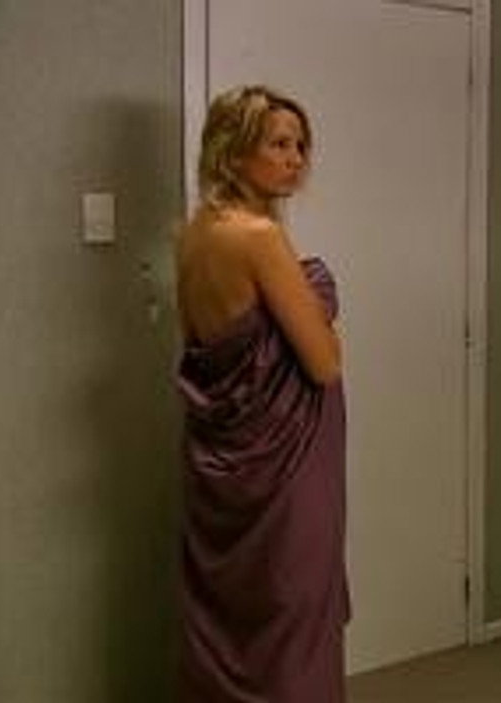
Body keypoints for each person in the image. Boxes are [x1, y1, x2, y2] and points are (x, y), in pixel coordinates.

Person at [175, 85, 348, 702]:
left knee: (233, 611)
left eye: (300, 145)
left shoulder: (193, 234)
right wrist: (322, 298)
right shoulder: (258, 237)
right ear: (233, 149)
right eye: (278, 144)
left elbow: (205, 341)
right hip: (283, 466)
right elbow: (323, 363)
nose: (296, 159)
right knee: (288, 609)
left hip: (221, 456)